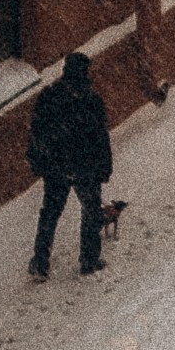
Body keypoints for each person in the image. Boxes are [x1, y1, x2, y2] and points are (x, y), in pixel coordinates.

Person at [26, 48, 114, 280]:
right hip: (85, 165)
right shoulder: (91, 100)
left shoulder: (49, 97)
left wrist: (38, 161)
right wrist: (104, 166)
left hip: (56, 167)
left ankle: (41, 262)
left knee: (50, 213)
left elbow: (36, 133)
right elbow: (101, 137)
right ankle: (89, 260)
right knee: (90, 210)